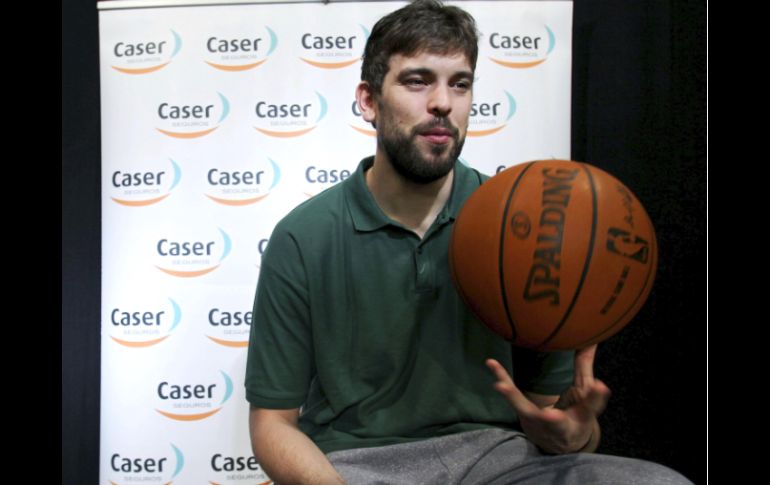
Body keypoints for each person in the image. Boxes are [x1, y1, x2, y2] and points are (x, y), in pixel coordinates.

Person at [245, 1, 692, 483]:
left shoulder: (527, 221)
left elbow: (548, 419)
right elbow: (273, 424)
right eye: (417, 81)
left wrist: (573, 434)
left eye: (460, 83)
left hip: (499, 459)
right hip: (358, 467)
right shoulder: (303, 237)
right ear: (369, 100)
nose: (443, 102)